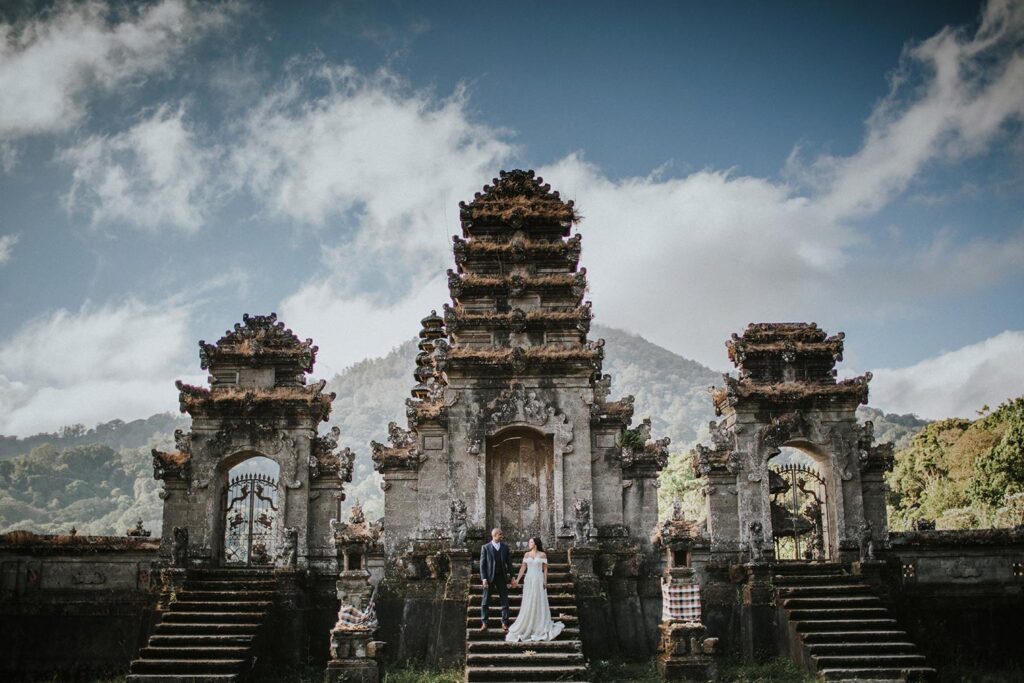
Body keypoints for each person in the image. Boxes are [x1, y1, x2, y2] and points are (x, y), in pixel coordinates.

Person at [505, 536, 565, 642]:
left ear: (535, 544)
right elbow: (523, 567)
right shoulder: (526, 554)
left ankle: (540, 624)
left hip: (538, 579)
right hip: (529, 579)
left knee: (539, 600)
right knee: (528, 600)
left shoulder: (542, 554)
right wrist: (517, 580)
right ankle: (527, 623)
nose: (529, 544)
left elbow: (545, 569)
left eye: (531, 542)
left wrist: (545, 581)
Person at [479, 527, 513, 631]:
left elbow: (509, 563)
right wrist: (483, 578)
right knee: (485, 601)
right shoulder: (485, 547)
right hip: (489, 578)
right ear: (495, 535)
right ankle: (484, 623)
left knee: (504, 601)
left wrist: (512, 576)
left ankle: (504, 622)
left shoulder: (505, 547)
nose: (502, 536)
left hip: (502, 577)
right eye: (500, 535)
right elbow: (482, 564)